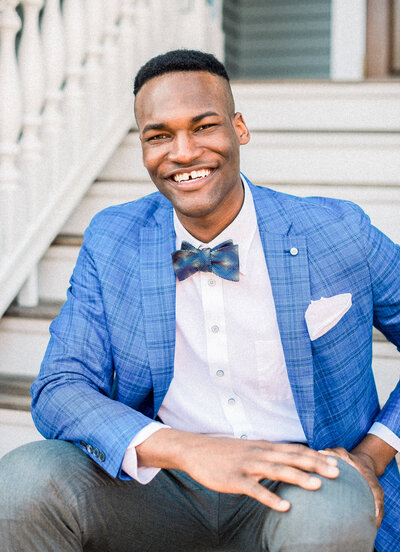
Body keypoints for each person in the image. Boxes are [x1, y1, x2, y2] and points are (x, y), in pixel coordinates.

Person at [0, 49, 399, 552]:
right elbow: (61, 386)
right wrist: (188, 450)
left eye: (203, 126)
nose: (183, 152)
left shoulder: (337, 232)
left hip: (304, 476)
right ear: (143, 148)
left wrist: (374, 453)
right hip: (163, 482)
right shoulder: (114, 238)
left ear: (239, 129)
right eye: (159, 135)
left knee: (336, 509)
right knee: (23, 479)